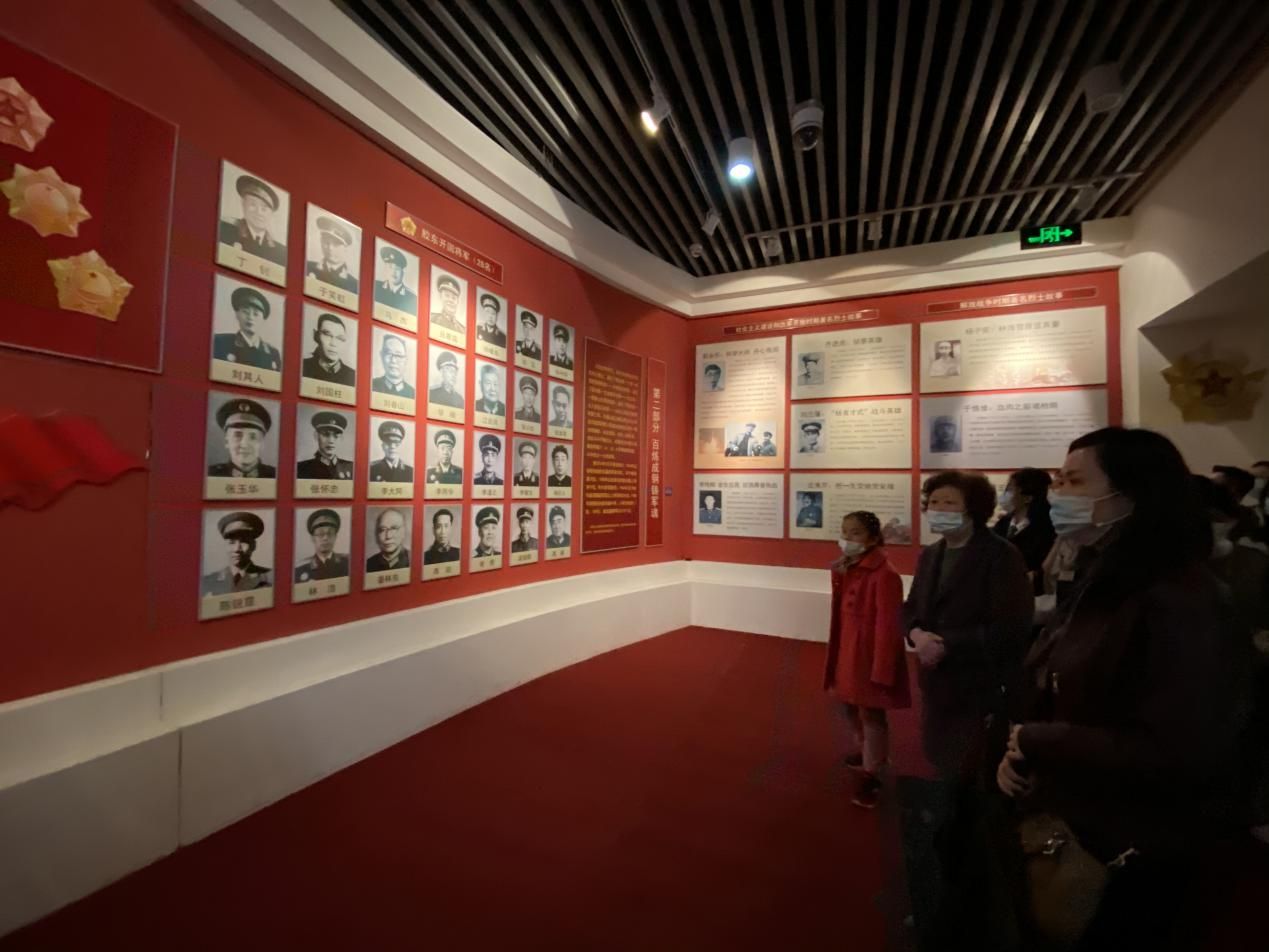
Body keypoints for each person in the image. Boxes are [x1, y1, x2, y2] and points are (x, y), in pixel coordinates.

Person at [997, 428, 1248, 950]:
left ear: (1132, 494)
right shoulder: (1106, 576)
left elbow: (1183, 748)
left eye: (1074, 481)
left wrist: (1037, 739)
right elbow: (1059, 681)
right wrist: (1019, 745)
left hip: (1132, 846)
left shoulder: (1182, 600)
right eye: (1057, 481)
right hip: (1074, 814)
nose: (1057, 495)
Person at [904, 470, 1032, 946]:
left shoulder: (1000, 555)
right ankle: (951, 888)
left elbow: (1011, 627)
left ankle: (972, 904)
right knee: (946, 777)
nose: (938, 509)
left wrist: (947, 644)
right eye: (933, 500)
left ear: (973, 507)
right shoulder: (931, 554)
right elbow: (912, 608)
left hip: (980, 690)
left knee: (971, 794)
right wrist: (917, 633)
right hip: (938, 686)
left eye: (949, 502)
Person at [824, 511, 911, 809]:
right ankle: (866, 751)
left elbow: (888, 626)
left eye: (855, 533)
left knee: (872, 713)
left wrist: (883, 668)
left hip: (868, 655)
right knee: (849, 704)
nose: (847, 538)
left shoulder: (885, 575)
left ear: (873, 539)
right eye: (844, 531)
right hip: (848, 651)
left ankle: (873, 772)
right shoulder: (849, 567)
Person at [992, 468, 1056, 596]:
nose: (1005, 494)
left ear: (1027, 497)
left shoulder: (1047, 529)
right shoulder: (1002, 523)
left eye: (1010, 489)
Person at [218, 174, 286, 265]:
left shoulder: (281, 252)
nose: (259, 212)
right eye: (253, 205)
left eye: (264, 208)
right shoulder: (225, 230)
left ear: (271, 214)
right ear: (243, 204)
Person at [212, 285, 281, 371]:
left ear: (263, 320)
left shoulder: (273, 353)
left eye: (256, 314)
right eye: (245, 312)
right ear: (237, 314)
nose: (250, 318)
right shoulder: (220, 342)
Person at [201, 511, 271, 594]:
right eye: (231, 542)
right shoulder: (208, 582)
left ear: (253, 545)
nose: (237, 549)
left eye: (244, 541)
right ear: (224, 546)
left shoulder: (270, 577)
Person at [208, 398, 275, 478]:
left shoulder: (274, 475)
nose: (244, 445)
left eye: (253, 437)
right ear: (227, 441)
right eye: (237, 435)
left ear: (262, 443)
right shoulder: (210, 474)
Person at [293, 509, 349, 582]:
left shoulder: (347, 563)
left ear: (335, 537)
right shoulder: (300, 569)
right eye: (320, 534)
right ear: (313, 538)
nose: (325, 538)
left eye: (330, 533)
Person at [305, 216, 357, 293]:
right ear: (321, 241)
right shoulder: (308, 267)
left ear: (345, 248)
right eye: (326, 242)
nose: (330, 248)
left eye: (336, 244)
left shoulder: (354, 284)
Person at [296, 410, 353, 480]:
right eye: (325, 434)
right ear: (316, 436)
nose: (331, 441)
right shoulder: (301, 468)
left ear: (341, 439)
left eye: (336, 436)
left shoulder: (351, 467)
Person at [301, 312, 355, 386]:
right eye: (327, 335)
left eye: (340, 338)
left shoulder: (353, 375)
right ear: (316, 335)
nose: (333, 343)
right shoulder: (303, 367)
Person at [374, 245, 416, 314]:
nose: (393, 272)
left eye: (397, 269)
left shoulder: (412, 297)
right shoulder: (375, 286)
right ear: (385, 269)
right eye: (390, 267)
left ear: (403, 272)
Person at [371, 333, 413, 399]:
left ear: (406, 359)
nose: (393, 360)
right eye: (389, 354)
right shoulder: (372, 385)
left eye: (398, 355)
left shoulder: (412, 393)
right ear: (381, 355)